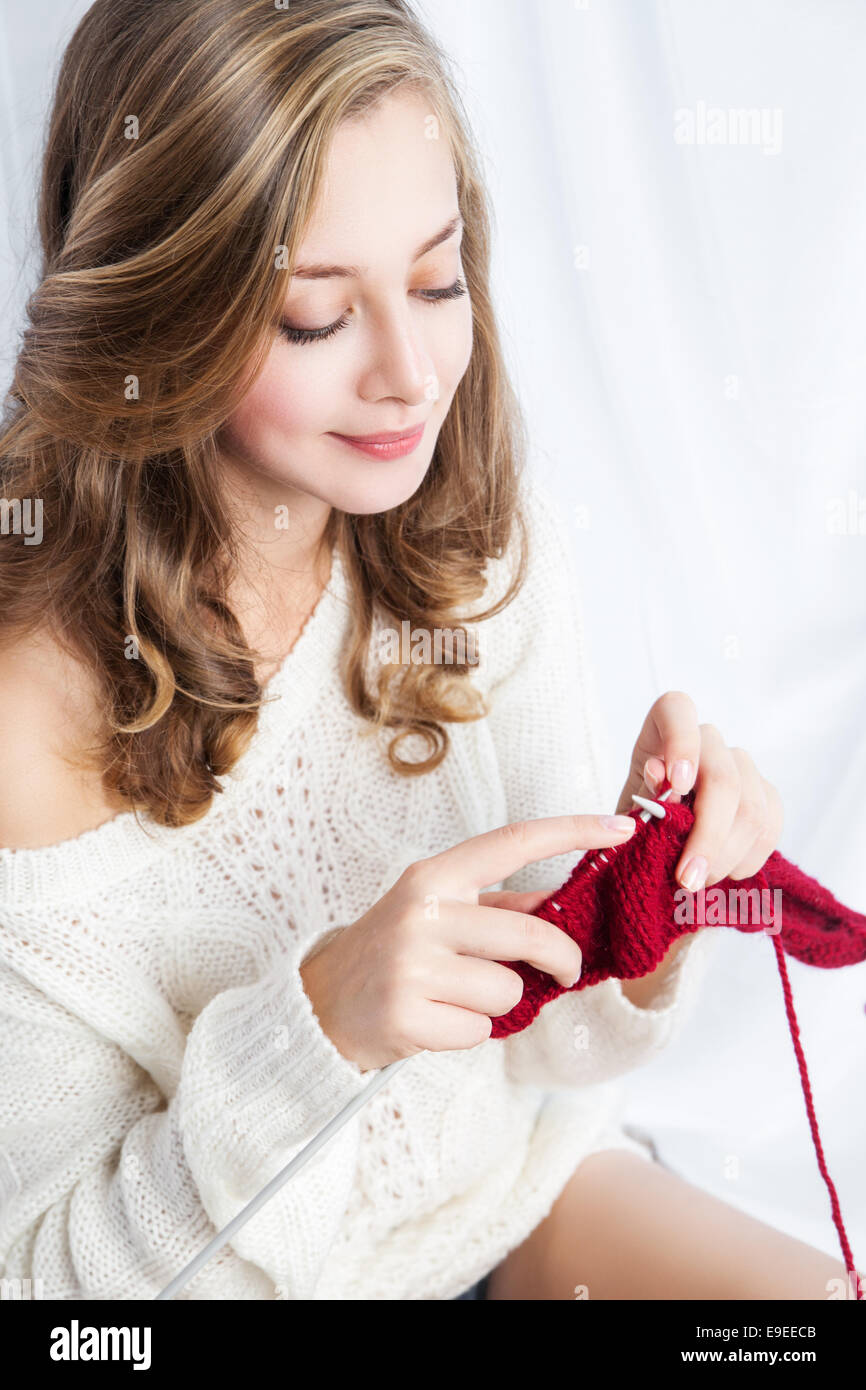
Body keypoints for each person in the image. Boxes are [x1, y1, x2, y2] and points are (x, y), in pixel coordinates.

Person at [0, 0, 848, 1301]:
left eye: (437, 279)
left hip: (519, 1213)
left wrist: (637, 897)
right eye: (312, 318)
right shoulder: (23, 726)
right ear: (160, 312)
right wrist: (319, 1031)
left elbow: (538, 1067)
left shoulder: (471, 546)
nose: (412, 372)